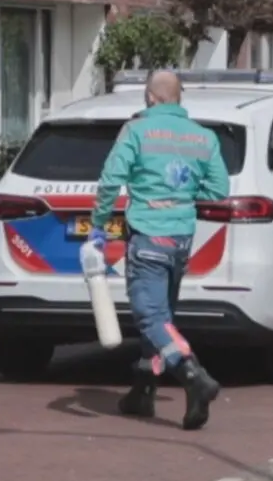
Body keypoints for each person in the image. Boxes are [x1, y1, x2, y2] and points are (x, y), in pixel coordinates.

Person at [88, 70, 230, 430]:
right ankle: (143, 392)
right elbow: (218, 189)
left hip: (148, 236)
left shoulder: (136, 131)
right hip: (181, 239)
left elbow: (109, 181)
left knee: (150, 318)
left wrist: (99, 225)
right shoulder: (203, 137)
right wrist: (180, 196)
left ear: (150, 97)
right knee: (162, 318)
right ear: (179, 97)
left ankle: (194, 376)